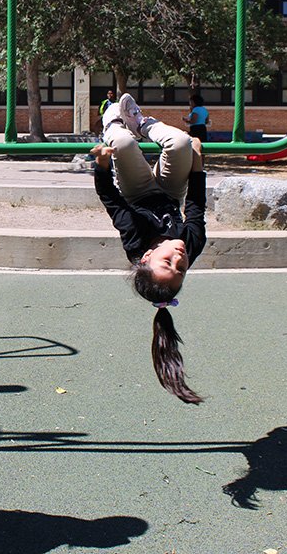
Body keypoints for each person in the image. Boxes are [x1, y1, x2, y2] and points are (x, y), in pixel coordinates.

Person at [91, 93, 205, 404]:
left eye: (168, 263)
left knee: (122, 145)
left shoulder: (136, 238)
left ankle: (112, 121)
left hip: (137, 193)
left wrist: (101, 166)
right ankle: (142, 124)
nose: (179, 259)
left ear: (147, 257)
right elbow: (195, 207)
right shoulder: (192, 245)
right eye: (181, 269)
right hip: (171, 193)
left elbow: (112, 203)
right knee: (182, 143)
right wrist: (197, 168)